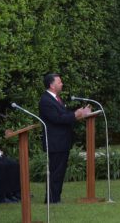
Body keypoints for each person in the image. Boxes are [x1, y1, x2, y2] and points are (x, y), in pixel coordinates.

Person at [39, 73, 91, 203]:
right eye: (59, 82)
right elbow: (57, 119)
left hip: (62, 141)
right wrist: (75, 115)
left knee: (60, 172)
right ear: (52, 85)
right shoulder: (45, 100)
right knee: (55, 171)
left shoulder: (56, 98)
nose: (62, 84)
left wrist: (79, 114)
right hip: (55, 142)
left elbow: (64, 115)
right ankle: (51, 199)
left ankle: (55, 198)